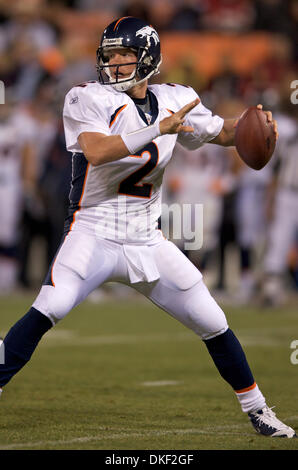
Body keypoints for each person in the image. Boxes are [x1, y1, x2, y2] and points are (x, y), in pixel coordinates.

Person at [0, 17, 296, 438]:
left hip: (146, 237)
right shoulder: (88, 97)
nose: (115, 63)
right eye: (109, 55)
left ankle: (259, 410)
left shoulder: (176, 99)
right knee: (52, 306)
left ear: (149, 59)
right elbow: (98, 152)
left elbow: (224, 133)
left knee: (212, 319)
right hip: (94, 230)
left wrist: (257, 127)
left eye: (125, 55)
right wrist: (159, 128)